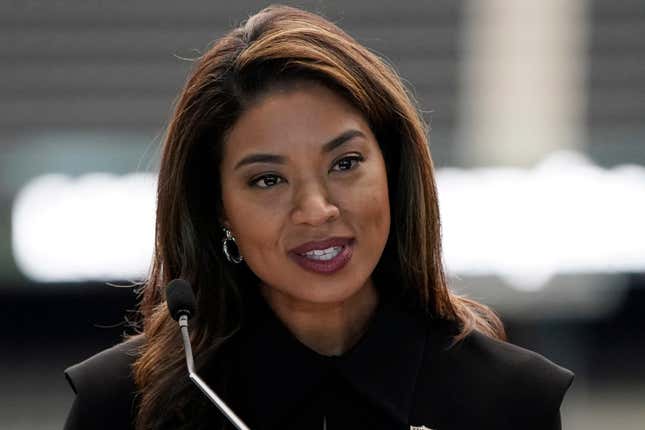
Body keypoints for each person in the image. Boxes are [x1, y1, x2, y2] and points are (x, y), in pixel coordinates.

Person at [63, 5, 574, 430]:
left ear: (393, 172)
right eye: (268, 179)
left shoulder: (511, 400)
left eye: (345, 164)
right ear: (217, 206)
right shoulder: (123, 406)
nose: (317, 210)